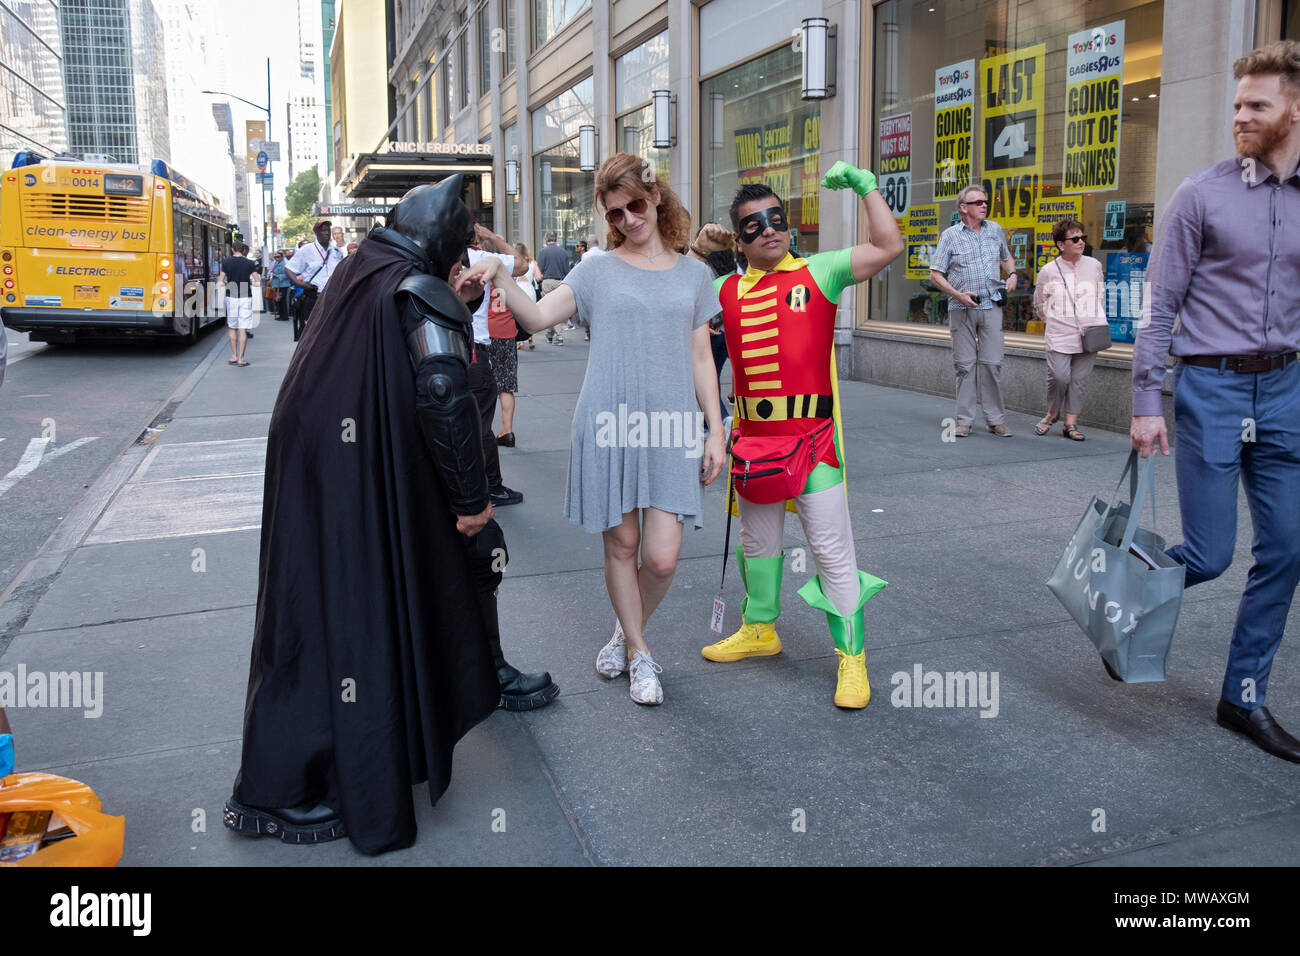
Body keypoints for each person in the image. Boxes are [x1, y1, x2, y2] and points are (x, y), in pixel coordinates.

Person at [224, 173, 557, 854]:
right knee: (367, 610)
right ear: (439, 242)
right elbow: (440, 391)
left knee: (324, 611)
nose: (462, 264)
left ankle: (309, 769)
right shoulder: (413, 286)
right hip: (354, 476)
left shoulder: (363, 268)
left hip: (323, 471)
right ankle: (287, 788)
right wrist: (471, 502)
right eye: (458, 249)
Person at [463, 153, 726, 706]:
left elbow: (703, 357)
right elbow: (534, 320)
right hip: (608, 420)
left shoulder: (696, 274)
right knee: (623, 542)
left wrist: (715, 430)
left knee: (661, 557)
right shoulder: (596, 270)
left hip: (673, 425)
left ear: (655, 197)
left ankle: (623, 633)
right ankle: (639, 651)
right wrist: (502, 274)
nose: (629, 219)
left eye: (635, 204)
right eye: (615, 212)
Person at [1132, 40, 1300, 763]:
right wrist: (1145, 398)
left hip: (1288, 387)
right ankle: (1115, 588)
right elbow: (1159, 304)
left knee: (1289, 548)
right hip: (1212, 385)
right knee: (1207, 553)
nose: (1240, 116)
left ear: (1294, 110)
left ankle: (1244, 697)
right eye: (1236, 104)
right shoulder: (1201, 193)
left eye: (1257, 105)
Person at [690, 162, 902, 709]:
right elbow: (672, 302)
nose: (769, 230)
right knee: (757, 543)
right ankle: (760, 629)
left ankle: (852, 660)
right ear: (739, 240)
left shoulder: (820, 272)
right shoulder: (721, 290)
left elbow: (887, 246)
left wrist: (866, 186)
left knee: (831, 548)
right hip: (753, 441)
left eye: (776, 219)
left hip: (813, 440)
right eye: (754, 225)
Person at [928, 184, 1019, 437]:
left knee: (992, 364)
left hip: (991, 304)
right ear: (963, 208)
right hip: (961, 307)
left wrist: (1011, 273)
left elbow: (1006, 256)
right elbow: (936, 275)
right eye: (978, 202)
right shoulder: (950, 235)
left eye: (985, 201)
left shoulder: (995, 230)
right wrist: (958, 295)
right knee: (965, 366)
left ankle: (995, 420)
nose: (984, 205)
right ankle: (965, 420)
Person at [466, 222, 529, 507]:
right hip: (474, 350)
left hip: (441, 351)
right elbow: (521, 264)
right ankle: (491, 487)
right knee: (480, 426)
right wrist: (493, 238)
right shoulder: (478, 257)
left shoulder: (426, 258)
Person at [1033, 219, 1108, 441]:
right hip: (1059, 333)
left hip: (1090, 332)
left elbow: (1099, 292)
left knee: (1079, 380)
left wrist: (1092, 316)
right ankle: (1052, 413)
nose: (1081, 242)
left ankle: (1071, 423)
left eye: (1082, 237)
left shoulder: (1094, 265)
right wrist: (1056, 320)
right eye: (1075, 238)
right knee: (1059, 376)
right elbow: (1040, 304)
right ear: (1060, 244)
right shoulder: (1048, 271)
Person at [285, 219, 345, 342]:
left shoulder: (336, 251)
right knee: (311, 334)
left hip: (333, 297)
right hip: (313, 297)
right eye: (323, 230)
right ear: (316, 232)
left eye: (328, 230)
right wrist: (300, 283)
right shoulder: (307, 250)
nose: (327, 233)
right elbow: (288, 269)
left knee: (332, 333)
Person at [487, 283, 521, 447]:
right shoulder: (508, 282)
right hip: (507, 333)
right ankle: (507, 431)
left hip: (487, 332)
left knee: (484, 383)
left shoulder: (482, 280)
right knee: (505, 386)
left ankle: (484, 429)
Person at [219, 242, 261, 366]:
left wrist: (228, 284)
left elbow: (221, 281)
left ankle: (233, 356)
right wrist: (249, 283)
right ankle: (241, 359)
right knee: (242, 329)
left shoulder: (226, 262)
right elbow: (257, 282)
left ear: (232, 249)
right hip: (245, 296)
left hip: (231, 296)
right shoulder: (249, 263)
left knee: (232, 327)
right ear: (243, 250)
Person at [536, 230, 570, 345]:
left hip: (548, 281)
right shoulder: (563, 252)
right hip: (560, 282)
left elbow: (540, 269)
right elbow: (567, 271)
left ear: (546, 239)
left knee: (550, 309)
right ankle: (549, 335)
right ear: (556, 239)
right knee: (555, 308)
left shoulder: (543, 252)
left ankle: (559, 336)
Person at [513, 241, 541, 350]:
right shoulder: (532, 262)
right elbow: (538, 277)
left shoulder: (514, 262)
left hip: (518, 289)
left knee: (518, 316)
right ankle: (531, 338)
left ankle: (520, 342)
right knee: (529, 315)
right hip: (530, 290)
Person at [268, 250, 291, 322]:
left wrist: (277, 276)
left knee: (282, 300)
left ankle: (284, 316)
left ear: (282, 257)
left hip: (282, 285)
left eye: (278, 257)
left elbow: (287, 275)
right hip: (277, 284)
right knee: (279, 300)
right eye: (275, 257)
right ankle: (281, 315)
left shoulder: (284, 264)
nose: (276, 258)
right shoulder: (276, 263)